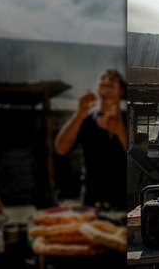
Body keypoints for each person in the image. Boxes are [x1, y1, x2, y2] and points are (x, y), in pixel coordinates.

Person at [55, 68, 127, 209]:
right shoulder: (86, 120)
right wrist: (79, 115)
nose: (107, 80)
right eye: (103, 79)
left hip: (124, 201)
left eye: (112, 78)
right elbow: (60, 149)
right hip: (91, 200)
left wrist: (120, 131)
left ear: (122, 91)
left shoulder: (130, 118)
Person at [127, 132, 159, 211]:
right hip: (136, 189)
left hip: (134, 188)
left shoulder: (134, 152)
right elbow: (152, 172)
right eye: (147, 143)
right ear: (144, 143)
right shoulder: (136, 155)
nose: (148, 145)